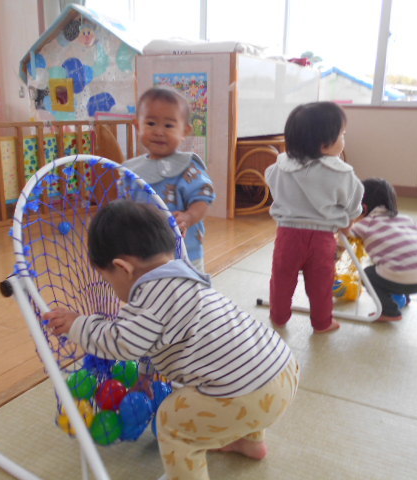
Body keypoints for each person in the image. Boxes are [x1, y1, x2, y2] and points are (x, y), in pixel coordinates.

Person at [43, 200, 299, 480]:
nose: (111, 288)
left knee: (171, 423)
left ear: (123, 268)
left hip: (244, 396)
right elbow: (157, 340)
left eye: (108, 279)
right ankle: (250, 442)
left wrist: (77, 325)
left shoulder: (149, 297)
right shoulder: (183, 276)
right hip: (281, 370)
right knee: (235, 367)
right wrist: (145, 373)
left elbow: (121, 342)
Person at [265, 101, 364, 333]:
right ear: (324, 144)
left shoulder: (281, 166)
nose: (344, 139)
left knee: (282, 278)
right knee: (321, 282)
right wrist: (347, 224)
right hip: (322, 238)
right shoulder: (342, 174)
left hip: (288, 234)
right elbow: (353, 204)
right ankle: (322, 322)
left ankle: (278, 316)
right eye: (342, 135)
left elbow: (269, 178)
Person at [124, 86, 216, 271]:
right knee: (150, 286)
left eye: (168, 125)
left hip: (185, 253)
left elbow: (203, 199)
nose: (159, 131)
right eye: (151, 123)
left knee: (188, 288)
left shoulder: (188, 167)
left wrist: (189, 216)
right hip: (144, 253)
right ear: (138, 126)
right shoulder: (131, 170)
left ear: (185, 131)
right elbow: (125, 205)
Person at [350, 178, 417, 321]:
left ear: (363, 207)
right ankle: (405, 297)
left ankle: (388, 311)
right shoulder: (406, 219)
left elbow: (345, 238)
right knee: (399, 258)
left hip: (405, 277)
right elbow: (414, 242)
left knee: (368, 274)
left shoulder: (365, 224)